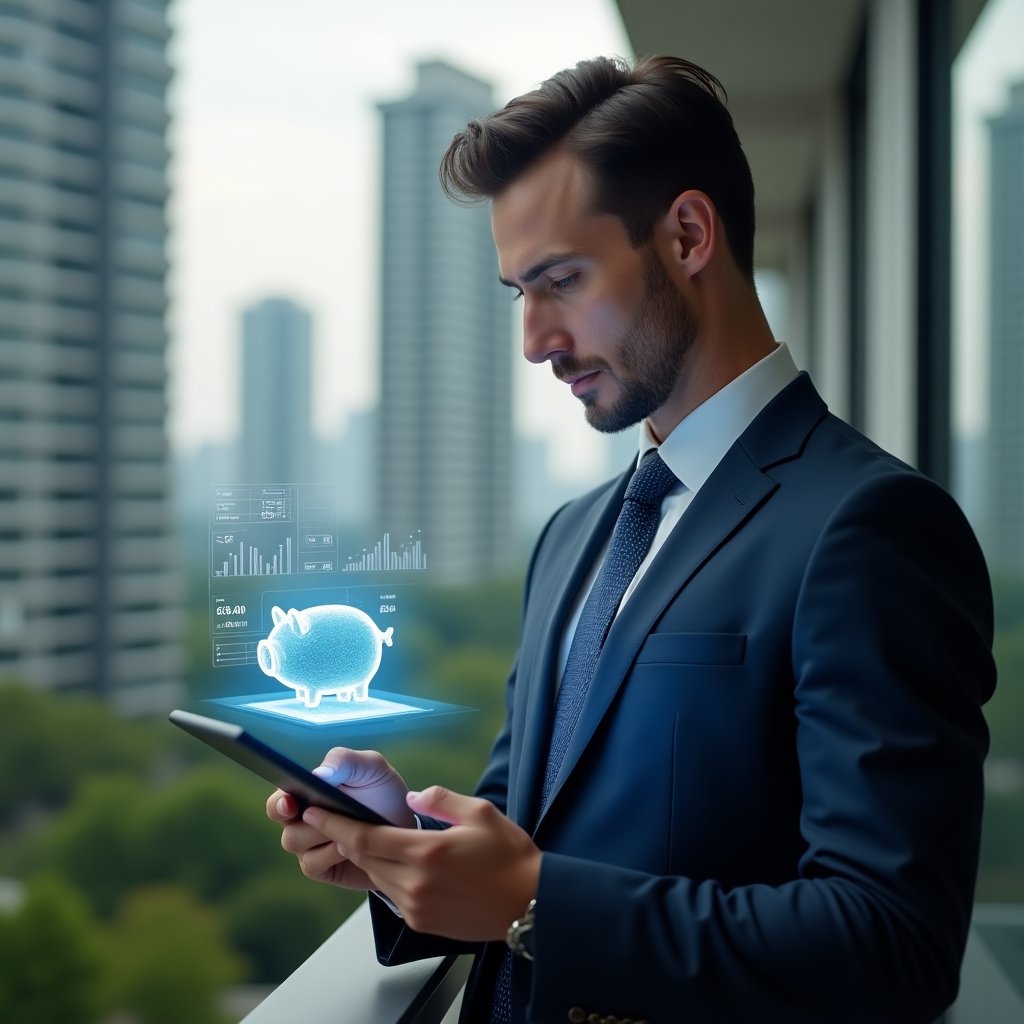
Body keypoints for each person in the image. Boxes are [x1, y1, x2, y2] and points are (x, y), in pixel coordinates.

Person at [267, 55, 996, 1023]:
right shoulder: (573, 537)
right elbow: (534, 834)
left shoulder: (870, 527)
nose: (534, 339)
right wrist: (401, 846)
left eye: (562, 281)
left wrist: (531, 901)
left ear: (688, 235)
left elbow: (891, 943)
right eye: (519, 292)